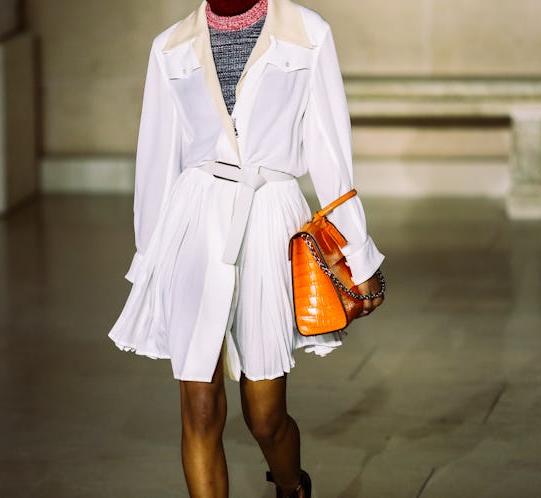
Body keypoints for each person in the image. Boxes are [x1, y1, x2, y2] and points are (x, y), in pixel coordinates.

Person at [107, 0, 385, 496]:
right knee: (199, 404)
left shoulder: (307, 32)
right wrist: (148, 261)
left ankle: (291, 486)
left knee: (265, 416)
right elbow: (155, 160)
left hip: (270, 218)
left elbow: (329, 150)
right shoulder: (169, 47)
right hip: (193, 224)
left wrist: (357, 251)